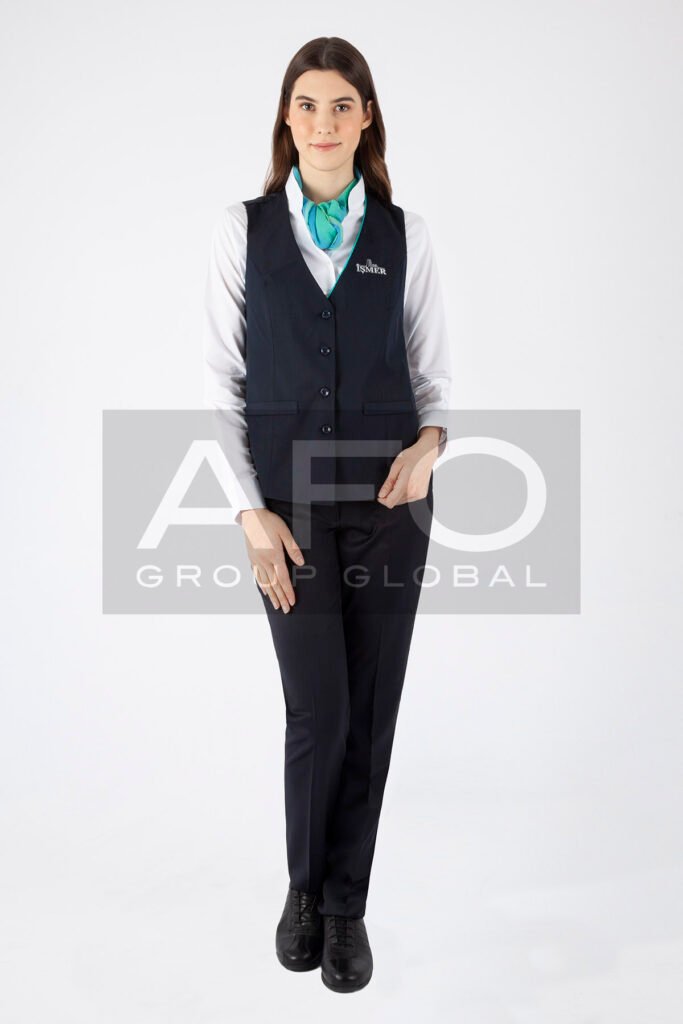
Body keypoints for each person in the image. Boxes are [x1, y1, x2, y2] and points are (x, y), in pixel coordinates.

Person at [202, 36, 451, 993]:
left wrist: (431, 446)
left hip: (393, 509)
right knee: (318, 709)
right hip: (289, 513)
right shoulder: (242, 231)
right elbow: (218, 384)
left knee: (372, 711)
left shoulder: (405, 235)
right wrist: (248, 513)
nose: (323, 122)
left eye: (342, 105)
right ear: (286, 117)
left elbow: (434, 374)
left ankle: (347, 907)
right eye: (307, 104)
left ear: (366, 119)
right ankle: (304, 889)